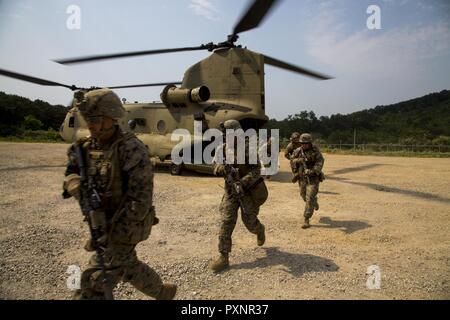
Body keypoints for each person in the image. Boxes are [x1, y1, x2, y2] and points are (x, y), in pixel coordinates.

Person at [62, 88, 176, 300]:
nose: (90, 124)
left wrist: (114, 235)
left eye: (95, 119)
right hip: (100, 222)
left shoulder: (131, 149)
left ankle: (161, 291)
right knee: (126, 265)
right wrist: (74, 184)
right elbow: (71, 172)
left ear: (111, 118)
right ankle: (162, 292)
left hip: (125, 226)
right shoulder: (84, 146)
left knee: (93, 282)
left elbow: (140, 200)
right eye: (87, 118)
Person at [209, 119, 268, 272]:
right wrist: (219, 168)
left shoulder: (248, 149)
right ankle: (223, 257)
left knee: (249, 222)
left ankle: (259, 230)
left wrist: (243, 182)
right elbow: (214, 165)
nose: (226, 137)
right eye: (225, 134)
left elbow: (256, 170)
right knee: (226, 222)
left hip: (247, 191)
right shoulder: (221, 149)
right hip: (230, 192)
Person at [290, 133, 325, 229]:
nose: (303, 145)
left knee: (309, 199)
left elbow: (320, 162)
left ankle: (306, 219)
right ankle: (314, 201)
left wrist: (312, 171)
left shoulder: (315, 151)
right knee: (303, 196)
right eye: (302, 143)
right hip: (302, 178)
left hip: (313, 178)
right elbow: (292, 160)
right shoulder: (298, 151)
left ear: (310, 143)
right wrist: (299, 160)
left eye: (306, 143)